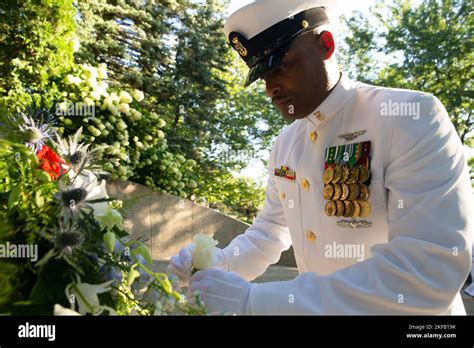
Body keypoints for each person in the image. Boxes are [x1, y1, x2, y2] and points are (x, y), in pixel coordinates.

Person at [168, 0, 473, 315]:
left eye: (280, 67)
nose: (270, 88)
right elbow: (271, 230)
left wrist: (257, 302)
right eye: (262, 77)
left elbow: (427, 272)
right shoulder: (285, 145)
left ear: (325, 45)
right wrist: (220, 265)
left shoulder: (407, 118)